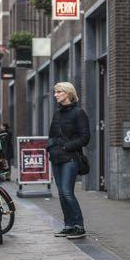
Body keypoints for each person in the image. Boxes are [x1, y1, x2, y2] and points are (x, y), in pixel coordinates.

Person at [48, 82, 90, 239]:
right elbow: (52, 134)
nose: (55, 95)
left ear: (67, 93)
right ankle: (69, 225)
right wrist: (50, 147)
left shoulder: (79, 113)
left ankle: (79, 226)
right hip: (56, 157)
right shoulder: (57, 113)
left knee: (67, 192)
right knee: (61, 193)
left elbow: (85, 138)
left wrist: (66, 147)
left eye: (58, 92)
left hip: (70, 158)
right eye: (55, 92)